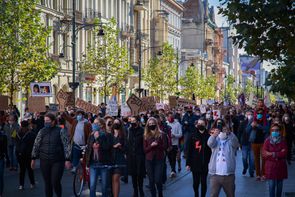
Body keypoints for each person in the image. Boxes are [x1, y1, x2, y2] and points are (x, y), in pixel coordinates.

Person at [31, 113, 71, 197]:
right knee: (47, 182)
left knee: (55, 181)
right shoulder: (42, 131)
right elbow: (36, 144)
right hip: (44, 160)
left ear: (53, 121)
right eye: (45, 121)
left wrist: (67, 159)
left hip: (57, 160)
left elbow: (66, 145)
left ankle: (58, 195)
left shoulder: (61, 130)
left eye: (48, 121)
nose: (46, 122)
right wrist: (33, 158)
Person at [207, 119, 239, 197]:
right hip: (215, 174)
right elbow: (210, 144)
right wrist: (214, 135)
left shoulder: (230, 138)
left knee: (230, 195)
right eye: (218, 124)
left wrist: (229, 133)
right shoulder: (215, 138)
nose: (220, 127)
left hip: (228, 175)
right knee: (213, 195)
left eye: (222, 125)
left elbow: (236, 144)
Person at [86, 118, 113, 197]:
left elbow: (106, 147)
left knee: (104, 187)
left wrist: (98, 138)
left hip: (103, 164)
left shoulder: (107, 135)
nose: (94, 125)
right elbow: (88, 150)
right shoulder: (91, 135)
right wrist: (87, 164)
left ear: (101, 125)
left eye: (96, 123)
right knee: (92, 186)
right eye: (93, 123)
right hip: (93, 164)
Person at [186, 118, 211, 197]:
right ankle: (196, 194)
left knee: (204, 182)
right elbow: (189, 150)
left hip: (205, 163)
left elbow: (211, 150)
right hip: (195, 163)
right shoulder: (192, 135)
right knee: (196, 183)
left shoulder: (209, 136)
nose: (200, 125)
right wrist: (188, 163)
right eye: (199, 123)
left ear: (205, 125)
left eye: (202, 123)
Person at [263, 124, 288, 197]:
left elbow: (284, 153)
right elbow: (264, 154)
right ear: (270, 131)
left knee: (279, 187)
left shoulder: (283, 141)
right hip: (270, 167)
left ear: (280, 131)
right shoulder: (267, 141)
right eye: (273, 130)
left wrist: (272, 154)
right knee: (271, 186)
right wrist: (279, 153)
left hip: (281, 167)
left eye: (276, 130)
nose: (275, 131)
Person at [144, 117, 165, 197]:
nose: (151, 125)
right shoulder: (146, 135)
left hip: (159, 160)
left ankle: (160, 194)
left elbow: (165, 147)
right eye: (150, 124)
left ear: (156, 124)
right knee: (151, 181)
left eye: (153, 124)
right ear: (147, 125)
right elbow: (145, 149)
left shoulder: (161, 134)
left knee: (158, 180)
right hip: (149, 160)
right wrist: (151, 146)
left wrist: (158, 145)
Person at [127, 117, 145, 197]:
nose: (133, 122)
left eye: (134, 121)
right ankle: (135, 190)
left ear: (138, 122)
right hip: (131, 155)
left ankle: (140, 189)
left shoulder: (142, 130)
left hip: (140, 155)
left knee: (140, 173)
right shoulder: (129, 130)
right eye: (131, 121)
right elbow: (128, 142)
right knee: (133, 174)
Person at [249, 108, 269, 181]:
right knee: (256, 159)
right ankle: (257, 175)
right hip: (254, 142)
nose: (259, 114)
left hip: (263, 142)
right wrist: (251, 126)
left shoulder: (266, 121)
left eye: (261, 113)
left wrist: (258, 125)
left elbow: (266, 129)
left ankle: (263, 174)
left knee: (263, 158)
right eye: (258, 113)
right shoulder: (253, 120)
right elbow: (247, 130)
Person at [15, 120, 36, 190]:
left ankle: (21, 185)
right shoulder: (31, 134)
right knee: (30, 169)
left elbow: (12, 138)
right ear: (27, 126)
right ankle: (32, 183)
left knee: (22, 170)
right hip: (28, 154)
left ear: (21, 125)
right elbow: (34, 144)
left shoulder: (17, 132)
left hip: (19, 153)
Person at [111, 119, 127, 197]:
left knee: (116, 178)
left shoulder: (123, 135)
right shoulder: (109, 134)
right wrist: (113, 146)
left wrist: (120, 146)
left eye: (117, 123)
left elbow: (126, 148)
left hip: (119, 159)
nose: (116, 124)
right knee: (110, 180)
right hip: (109, 159)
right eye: (114, 123)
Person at [238, 110, 255, 177]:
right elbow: (239, 132)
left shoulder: (255, 123)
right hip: (244, 143)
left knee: (252, 159)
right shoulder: (243, 123)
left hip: (252, 143)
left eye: (251, 114)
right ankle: (245, 166)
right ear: (245, 115)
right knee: (244, 158)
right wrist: (239, 142)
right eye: (248, 114)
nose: (249, 115)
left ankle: (251, 171)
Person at [167, 112, 182, 178]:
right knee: (169, 157)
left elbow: (180, 134)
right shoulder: (166, 123)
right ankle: (172, 168)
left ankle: (173, 170)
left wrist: (174, 135)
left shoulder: (177, 124)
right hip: (167, 144)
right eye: (169, 116)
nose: (170, 118)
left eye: (171, 116)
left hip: (174, 143)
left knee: (173, 157)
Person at [0, 124, 8, 197]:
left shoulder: (3, 136)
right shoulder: (6, 126)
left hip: (1, 158)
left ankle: (0, 193)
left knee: (0, 176)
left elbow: (5, 149)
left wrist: (7, 158)